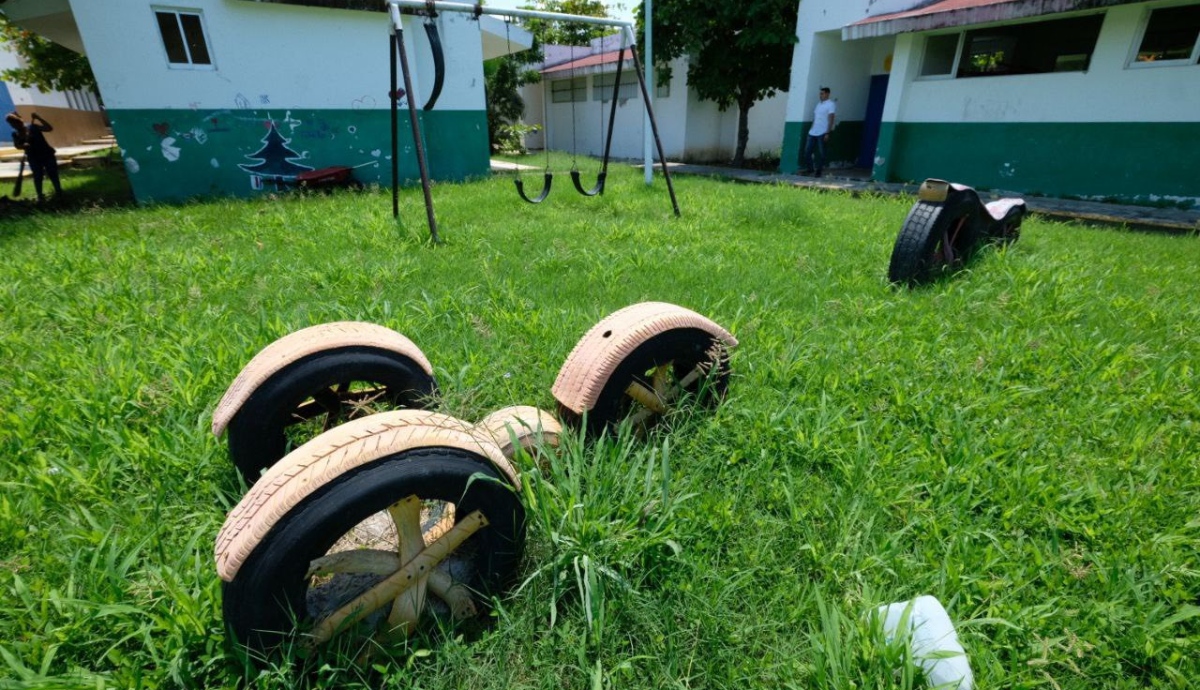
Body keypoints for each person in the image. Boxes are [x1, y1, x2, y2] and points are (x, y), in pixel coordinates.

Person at [6, 111, 63, 202]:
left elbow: (49, 128)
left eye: (14, 123)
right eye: (11, 124)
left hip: (47, 154)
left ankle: (59, 193)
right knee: (37, 176)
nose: (13, 126)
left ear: (19, 122)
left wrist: (39, 118)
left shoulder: (33, 127)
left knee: (53, 174)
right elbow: (17, 145)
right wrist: (23, 146)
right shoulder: (15, 134)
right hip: (33, 158)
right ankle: (40, 196)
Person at [800, 86, 836, 178]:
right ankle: (810, 169)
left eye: (822, 93)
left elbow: (831, 119)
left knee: (822, 153)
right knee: (807, 152)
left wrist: (828, 132)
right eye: (820, 93)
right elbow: (815, 118)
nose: (820, 95)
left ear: (827, 94)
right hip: (812, 132)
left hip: (823, 132)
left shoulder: (831, 104)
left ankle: (818, 171)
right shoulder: (818, 104)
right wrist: (811, 129)